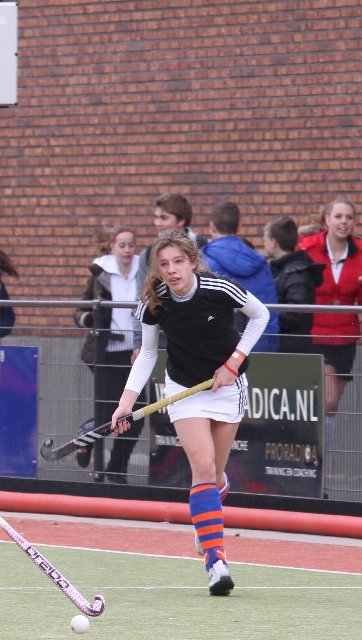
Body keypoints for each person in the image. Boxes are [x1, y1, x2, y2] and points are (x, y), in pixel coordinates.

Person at [111, 229, 270, 596]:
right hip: (184, 390)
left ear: (193, 262)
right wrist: (126, 402)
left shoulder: (220, 289)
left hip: (227, 387)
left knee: (213, 477)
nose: (172, 270)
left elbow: (260, 316)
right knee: (203, 466)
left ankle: (207, 512)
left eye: (178, 262)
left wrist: (233, 364)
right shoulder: (154, 303)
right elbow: (147, 354)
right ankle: (216, 562)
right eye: (164, 264)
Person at [296, 197, 362, 450]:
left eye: (349, 218)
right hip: (315, 334)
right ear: (327, 220)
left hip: (345, 337)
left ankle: (322, 457)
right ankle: (314, 453)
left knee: (331, 407)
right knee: (328, 400)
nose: (344, 222)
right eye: (339, 216)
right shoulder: (308, 249)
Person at [73, 226, 145, 482]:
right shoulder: (100, 272)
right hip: (105, 353)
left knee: (137, 414)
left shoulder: (143, 271)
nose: (127, 250)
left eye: (131, 245)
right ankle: (87, 438)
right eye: (122, 245)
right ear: (112, 248)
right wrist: (89, 318)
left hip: (136, 354)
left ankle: (116, 469)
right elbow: (80, 310)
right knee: (109, 413)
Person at [200, 201, 279, 353]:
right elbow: (269, 313)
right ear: (239, 227)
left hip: (213, 351)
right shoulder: (260, 264)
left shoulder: (203, 263)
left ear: (212, 227)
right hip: (257, 349)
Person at [261, 215, 323, 355]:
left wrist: (264, 317)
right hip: (285, 345)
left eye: (265, 239)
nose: (264, 244)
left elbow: (296, 314)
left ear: (273, 242)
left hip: (291, 349)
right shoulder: (283, 270)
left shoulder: (296, 274)